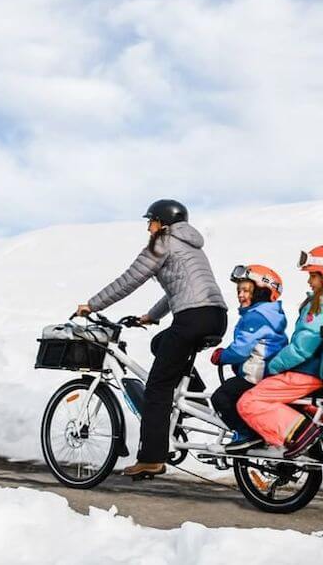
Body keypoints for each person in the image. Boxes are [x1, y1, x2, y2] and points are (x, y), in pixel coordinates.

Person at [77, 199, 227, 479]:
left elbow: (129, 279)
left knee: (158, 389)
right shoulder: (191, 246)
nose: (148, 227)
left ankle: (151, 458)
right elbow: (179, 289)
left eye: (151, 221)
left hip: (192, 317)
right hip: (215, 316)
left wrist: (92, 305)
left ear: (163, 223)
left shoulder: (162, 242)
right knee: (160, 344)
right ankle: (195, 406)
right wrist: (151, 316)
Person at [235, 245, 323, 459]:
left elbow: (302, 348)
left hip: (305, 373)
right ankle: (320, 434)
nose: (308, 281)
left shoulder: (321, 308)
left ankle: (301, 433)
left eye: (312, 275)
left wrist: (274, 366)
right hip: (313, 373)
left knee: (249, 402)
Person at [209, 264, 288, 450]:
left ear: (261, 291)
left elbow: (240, 351)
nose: (240, 295)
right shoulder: (270, 314)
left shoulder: (256, 316)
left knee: (221, 397)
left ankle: (246, 433)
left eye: (246, 290)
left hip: (257, 376)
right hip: (266, 373)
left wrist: (221, 356)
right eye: (239, 290)